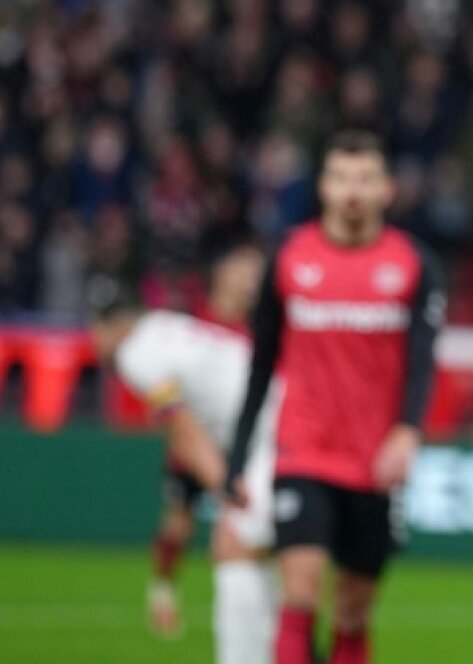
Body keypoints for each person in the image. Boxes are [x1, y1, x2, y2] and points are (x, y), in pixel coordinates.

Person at [225, 129, 446, 664]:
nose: (353, 189)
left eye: (366, 178)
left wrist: (408, 430)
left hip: (374, 461)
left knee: (352, 611)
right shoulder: (290, 258)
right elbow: (261, 364)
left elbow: (422, 362)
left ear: (386, 190)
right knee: (299, 594)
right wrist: (237, 452)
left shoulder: (413, 264)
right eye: (342, 177)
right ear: (323, 186)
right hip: (303, 451)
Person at [90, 251, 281, 664]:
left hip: (271, 435)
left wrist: (224, 488)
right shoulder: (170, 325)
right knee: (262, 550)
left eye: (97, 332)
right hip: (275, 424)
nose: (96, 344)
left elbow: (183, 428)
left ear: (116, 326)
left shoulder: (135, 354)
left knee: (236, 545)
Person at [144, 243, 266, 639]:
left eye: (257, 274)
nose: (251, 280)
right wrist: (178, 427)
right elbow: (161, 384)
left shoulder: (259, 334)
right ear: (221, 274)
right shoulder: (190, 326)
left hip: (240, 450)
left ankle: (246, 612)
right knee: (179, 523)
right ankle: (162, 589)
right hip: (193, 442)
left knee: (244, 531)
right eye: (243, 270)